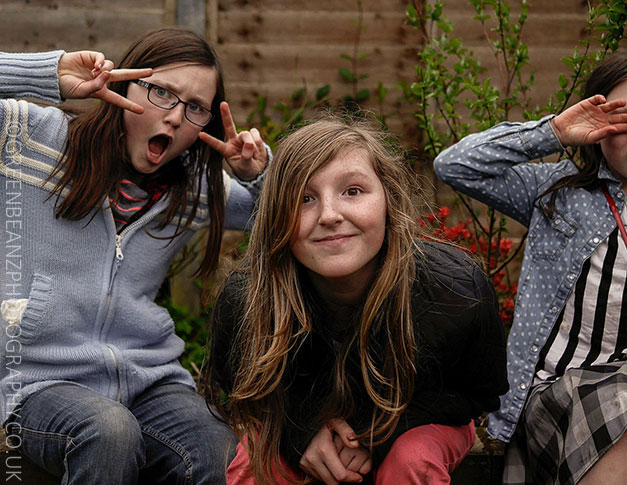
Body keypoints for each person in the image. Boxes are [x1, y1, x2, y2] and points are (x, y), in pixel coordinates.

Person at [434, 48, 627, 484]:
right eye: (625, 121)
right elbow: (454, 165)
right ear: (598, 128)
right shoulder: (558, 193)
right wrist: (555, 131)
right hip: (564, 391)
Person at [0, 28, 268, 483]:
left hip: (147, 380)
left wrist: (258, 174)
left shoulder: (198, 192)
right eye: (163, 92)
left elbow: (294, 214)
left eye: (196, 108)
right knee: (108, 432)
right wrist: (48, 73)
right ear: (125, 86)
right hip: (33, 378)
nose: (176, 118)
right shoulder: (31, 140)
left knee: (215, 448)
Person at [202, 115, 508, 485]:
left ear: (388, 200)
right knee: (259, 463)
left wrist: (372, 437)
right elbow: (237, 391)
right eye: (305, 198)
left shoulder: (456, 290)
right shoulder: (248, 299)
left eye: (353, 191)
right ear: (276, 216)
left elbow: (479, 393)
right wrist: (299, 436)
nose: (330, 215)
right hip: (294, 417)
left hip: (417, 421)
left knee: (412, 460)